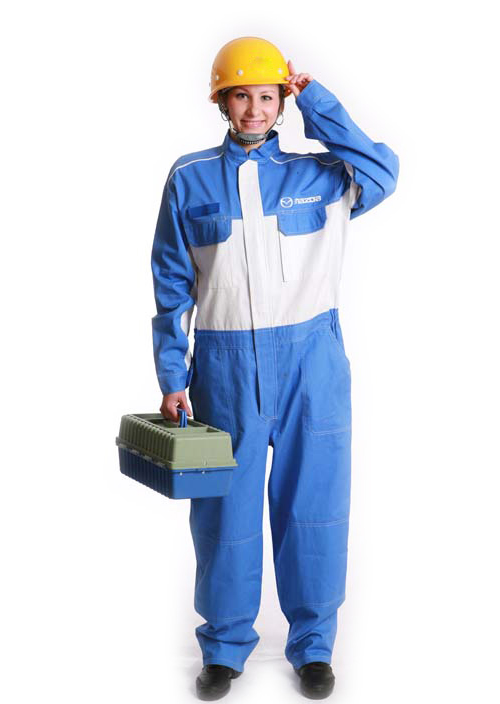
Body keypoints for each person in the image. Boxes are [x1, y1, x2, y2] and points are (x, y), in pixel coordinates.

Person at [151, 36, 399, 700]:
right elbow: (172, 283)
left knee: (313, 509)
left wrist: (317, 100)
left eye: (268, 96)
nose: (255, 109)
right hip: (223, 371)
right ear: (221, 102)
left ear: (282, 102)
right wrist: (173, 375)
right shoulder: (189, 178)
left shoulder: (322, 176)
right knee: (223, 517)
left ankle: (313, 646)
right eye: (241, 95)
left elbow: (382, 168)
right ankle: (224, 647)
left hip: (312, 368)